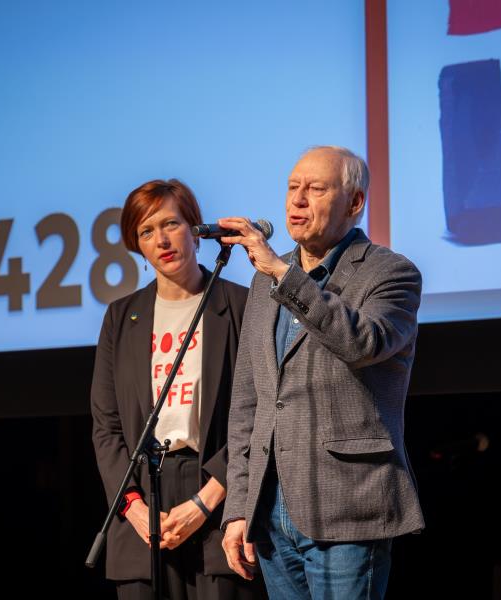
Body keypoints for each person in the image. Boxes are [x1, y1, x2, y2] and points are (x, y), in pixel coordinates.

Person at [216, 147, 424, 599]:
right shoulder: (264, 280)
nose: (298, 200)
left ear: (354, 202)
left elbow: (363, 343)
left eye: (315, 189)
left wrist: (281, 273)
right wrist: (239, 507)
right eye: (293, 187)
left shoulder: (391, 273)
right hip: (271, 511)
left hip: (349, 504)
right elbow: (249, 401)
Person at [91, 179, 267, 600]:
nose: (161, 240)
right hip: (143, 500)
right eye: (146, 231)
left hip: (219, 494)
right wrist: (133, 508)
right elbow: (106, 427)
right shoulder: (121, 317)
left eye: (171, 223)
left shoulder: (241, 305)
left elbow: (262, 414)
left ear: (194, 228)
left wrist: (205, 502)